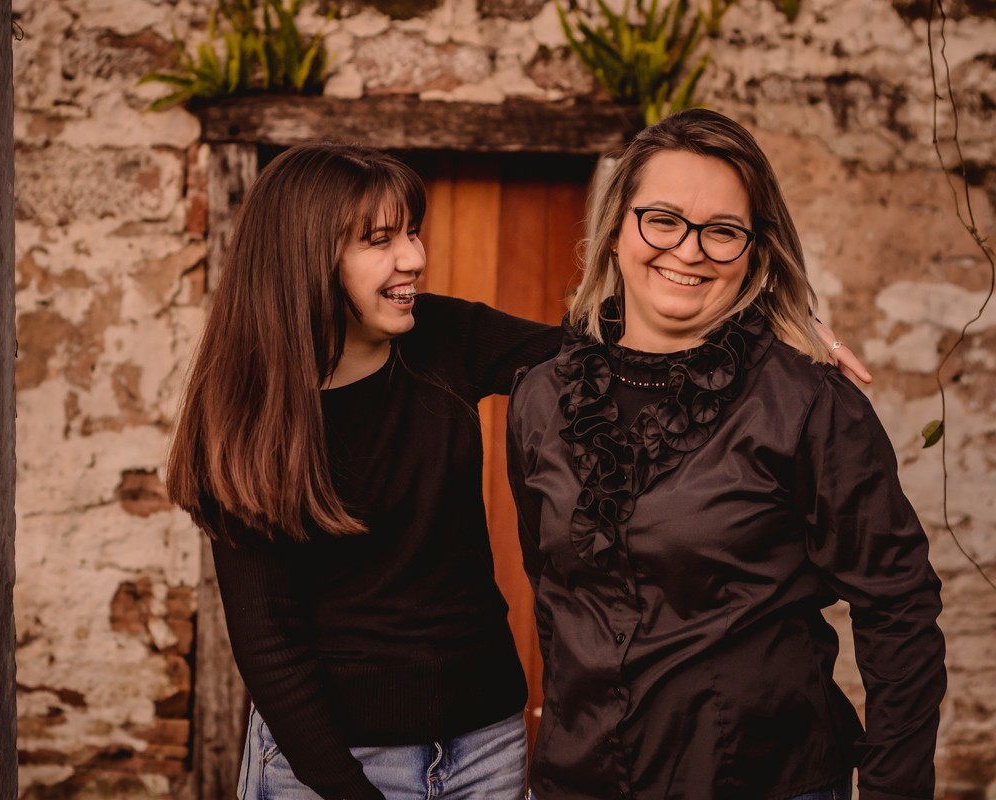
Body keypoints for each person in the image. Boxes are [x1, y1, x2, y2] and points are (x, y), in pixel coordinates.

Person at [166, 141, 871, 800]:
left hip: (485, 745)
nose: (412, 257)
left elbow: (616, 356)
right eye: (379, 242)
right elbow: (271, 650)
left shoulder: (441, 339)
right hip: (327, 762)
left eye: (412, 232)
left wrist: (773, 347)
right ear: (303, 260)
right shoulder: (242, 416)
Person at [506, 108, 946, 800]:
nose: (689, 250)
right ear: (617, 227)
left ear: (754, 250)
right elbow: (555, 596)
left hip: (762, 780)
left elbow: (900, 610)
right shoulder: (539, 400)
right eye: (663, 219)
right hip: (579, 780)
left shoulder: (810, 405)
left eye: (722, 231)